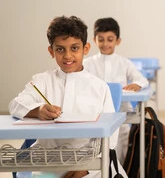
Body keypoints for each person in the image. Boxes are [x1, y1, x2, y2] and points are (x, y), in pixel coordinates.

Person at [8, 15, 127, 178]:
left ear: (86, 49)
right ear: (51, 51)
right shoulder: (42, 81)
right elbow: (15, 105)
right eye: (60, 49)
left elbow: (110, 138)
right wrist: (38, 110)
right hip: (48, 162)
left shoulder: (100, 87)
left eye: (74, 48)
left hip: (91, 165)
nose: (67, 56)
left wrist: (84, 169)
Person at [83, 17, 149, 164]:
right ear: (94, 40)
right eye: (101, 39)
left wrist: (137, 84)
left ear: (118, 41)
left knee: (122, 147)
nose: (105, 44)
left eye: (110, 39)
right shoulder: (87, 64)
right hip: (96, 114)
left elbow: (142, 80)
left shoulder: (124, 63)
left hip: (121, 115)